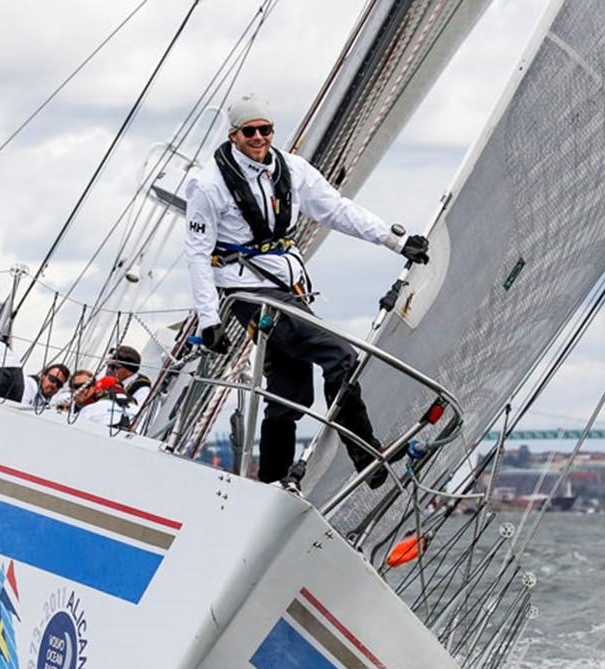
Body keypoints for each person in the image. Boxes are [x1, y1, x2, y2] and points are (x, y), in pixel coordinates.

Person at [183, 94, 431, 487]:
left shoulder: (292, 169)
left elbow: (336, 209)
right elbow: (197, 254)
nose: (259, 137)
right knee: (340, 355)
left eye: (266, 130)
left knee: (291, 392)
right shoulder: (208, 185)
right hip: (249, 293)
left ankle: (268, 485)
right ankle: (365, 453)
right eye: (250, 132)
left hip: (289, 288)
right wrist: (210, 319)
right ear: (234, 135)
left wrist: (394, 242)